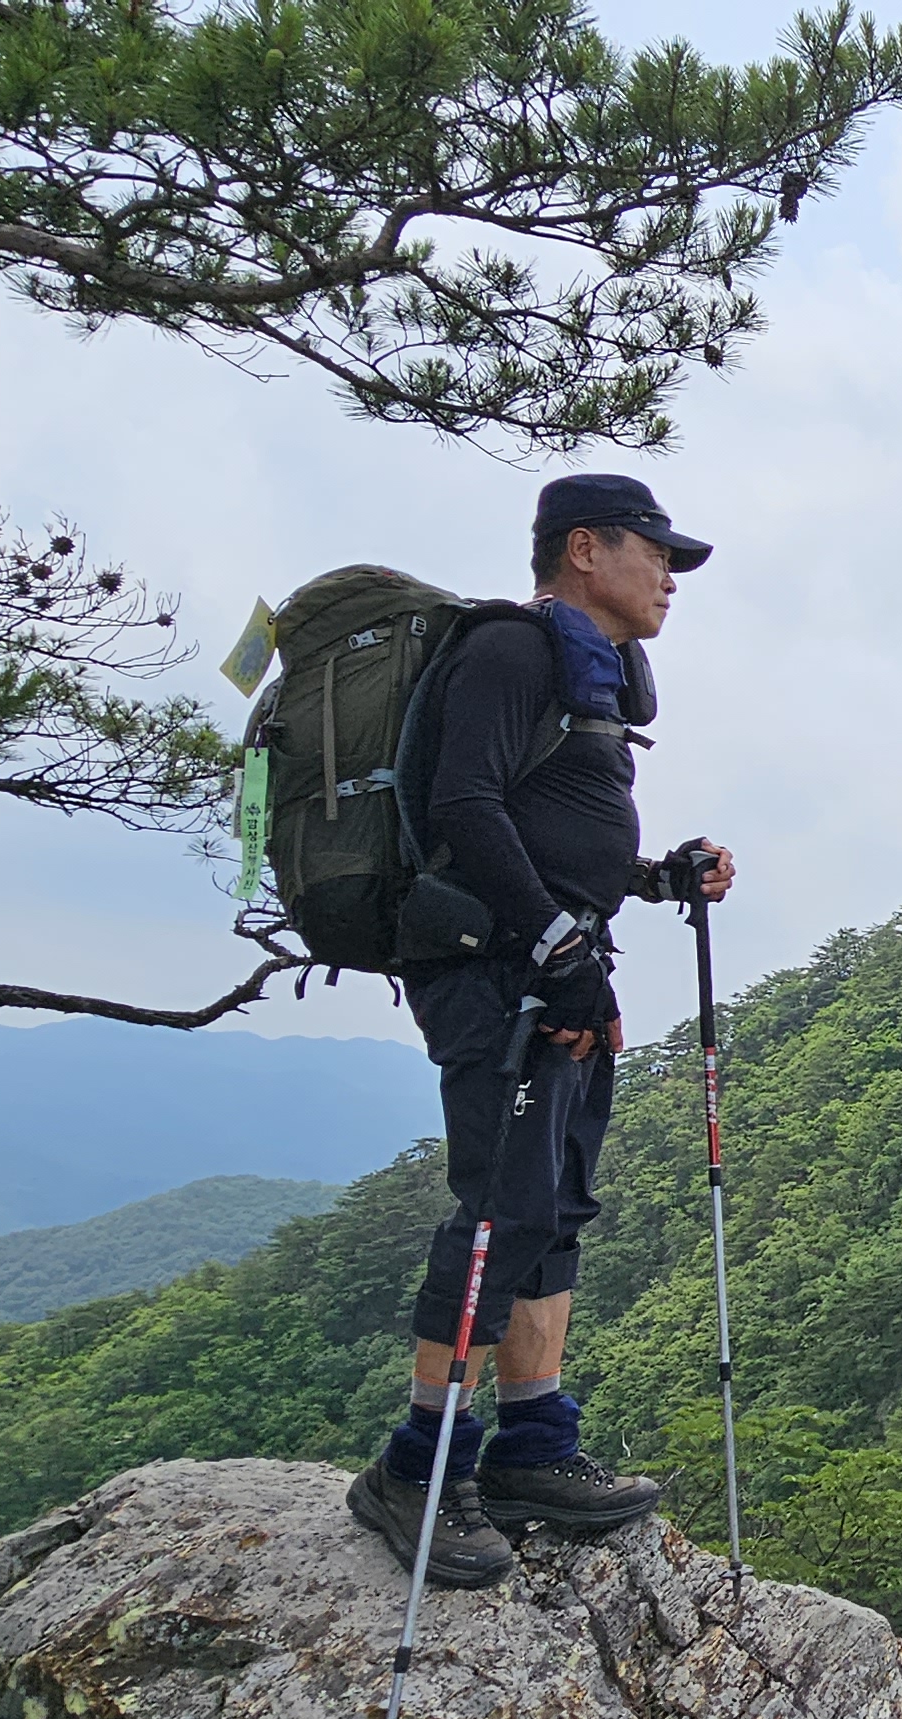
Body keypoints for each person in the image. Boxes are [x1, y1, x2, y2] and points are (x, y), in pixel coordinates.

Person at [346, 473, 737, 1589]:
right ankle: (418, 1467)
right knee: (497, 1210)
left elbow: (550, 831)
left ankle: (531, 1445)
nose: (670, 578)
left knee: (553, 1207)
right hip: (498, 974)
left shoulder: (580, 672)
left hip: (553, 972)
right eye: (656, 552)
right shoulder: (512, 651)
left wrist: (655, 876)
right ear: (583, 549)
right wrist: (558, 950)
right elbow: (465, 809)